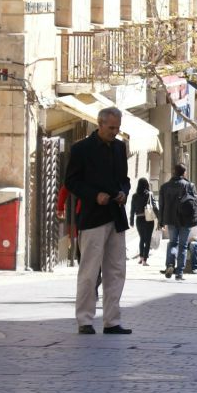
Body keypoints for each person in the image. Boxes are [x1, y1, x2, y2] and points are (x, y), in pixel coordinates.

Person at [64, 106, 132, 335]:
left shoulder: (120, 148)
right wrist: (94, 195)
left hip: (116, 215)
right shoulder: (81, 149)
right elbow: (71, 181)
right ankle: (84, 320)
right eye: (111, 128)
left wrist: (124, 192)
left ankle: (112, 321)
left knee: (116, 270)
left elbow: (124, 179)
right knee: (89, 271)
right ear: (99, 124)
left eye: (117, 128)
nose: (114, 132)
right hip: (93, 217)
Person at [158, 163, 197, 281]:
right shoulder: (189, 185)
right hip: (186, 219)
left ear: (174, 172)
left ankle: (170, 264)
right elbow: (195, 203)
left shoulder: (165, 187)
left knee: (173, 242)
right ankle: (179, 272)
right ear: (184, 173)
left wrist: (161, 221)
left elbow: (161, 204)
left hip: (170, 219)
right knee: (183, 245)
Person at [129, 179, 157, 266]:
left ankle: (141, 257)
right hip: (148, 219)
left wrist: (131, 220)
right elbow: (155, 207)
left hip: (139, 219)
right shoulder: (149, 194)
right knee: (148, 240)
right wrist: (160, 218)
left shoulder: (134, 196)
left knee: (142, 238)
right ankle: (145, 260)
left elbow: (132, 209)